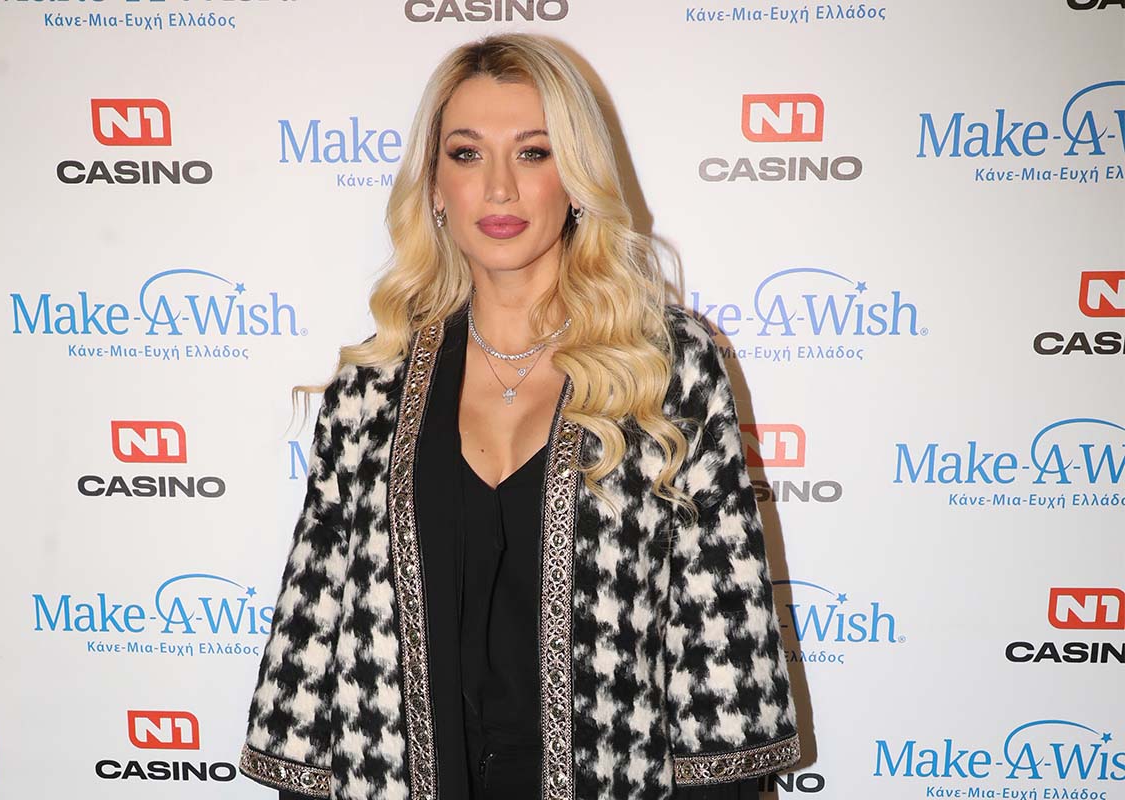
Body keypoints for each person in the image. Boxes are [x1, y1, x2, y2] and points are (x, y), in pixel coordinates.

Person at [239, 33, 800, 800]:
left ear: (576, 179)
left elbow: (723, 636)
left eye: (533, 152)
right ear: (435, 185)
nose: (499, 188)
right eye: (467, 154)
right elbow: (310, 633)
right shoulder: (372, 387)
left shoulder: (665, 367)